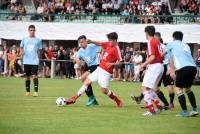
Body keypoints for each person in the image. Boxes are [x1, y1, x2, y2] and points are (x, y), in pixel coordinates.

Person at [64, 32, 123, 107]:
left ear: (115, 40)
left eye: (110, 40)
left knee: (104, 90)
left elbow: (121, 62)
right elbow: (101, 43)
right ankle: (73, 99)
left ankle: (117, 100)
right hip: (99, 68)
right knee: (86, 81)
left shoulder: (116, 49)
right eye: (108, 40)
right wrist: (92, 41)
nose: (109, 42)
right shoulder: (108, 44)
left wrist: (112, 64)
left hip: (106, 72)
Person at [166, 31, 198, 117]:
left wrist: (172, 70)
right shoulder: (186, 45)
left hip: (183, 68)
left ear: (173, 38)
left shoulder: (171, 44)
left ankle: (184, 112)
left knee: (179, 89)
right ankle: (195, 109)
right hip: (193, 68)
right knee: (188, 89)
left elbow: (169, 56)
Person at [137, 26, 164, 116]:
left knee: (144, 88)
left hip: (155, 66)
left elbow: (152, 57)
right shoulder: (157, 41)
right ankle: (159, 107)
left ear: (147, 33)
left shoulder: (150, 41)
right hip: (160, 66)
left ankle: (151, 110)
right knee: (150, 89)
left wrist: (143, 65)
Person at [74, 35, 101, 106]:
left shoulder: (92, 46)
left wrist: (92, 41)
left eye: (82, 42)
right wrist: (77, 61)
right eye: (80, 43)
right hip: (90, 67)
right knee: (84, 80)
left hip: (96, 66)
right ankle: (93, 99)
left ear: (86, 41)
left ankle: (92, 98)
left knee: (83, 78)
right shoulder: (80, 50)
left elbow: (102, 44)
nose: (81, 44)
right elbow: (76, 58)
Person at [20, 25, 42, 97]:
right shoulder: (24, 39)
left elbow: (39, 50)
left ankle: (35, 92)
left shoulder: (38, 40)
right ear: (28, 31)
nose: (32, 31)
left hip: (34, 60)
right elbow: (21, 47)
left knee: (34, 76)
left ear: (35, 31)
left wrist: (39, 59)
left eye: (33, 30)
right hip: (26, 60)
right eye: (31, 30)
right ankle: (27, 92)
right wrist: (22, 52)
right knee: (27, 76)